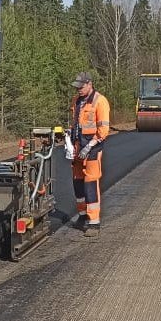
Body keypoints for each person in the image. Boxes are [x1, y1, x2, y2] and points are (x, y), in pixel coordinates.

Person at [69, 72, 110, 237]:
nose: (78, 89)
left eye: (81, 86)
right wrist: (69, 138)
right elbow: (76, 125)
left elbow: (103, 130)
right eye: (77, 86)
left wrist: (90, 146)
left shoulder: (100, 101)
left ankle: (94, 223)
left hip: (92, 148)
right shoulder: (76, 101)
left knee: (90, 184)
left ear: (89, 84)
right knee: (77, 183)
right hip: (78, 147)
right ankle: (82, 215)